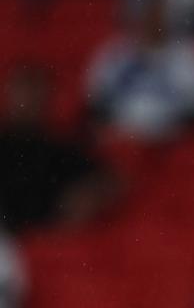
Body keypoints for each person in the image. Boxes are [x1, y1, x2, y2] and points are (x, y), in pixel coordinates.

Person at [0, 63, 116, 233]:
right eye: (23, 92)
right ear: (8, 93)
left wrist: (93, 191)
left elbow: (109, 181)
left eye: (36, 93)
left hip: (47, 241)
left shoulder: (61, 146)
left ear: (49, 97)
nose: (29, 100)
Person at [86, 0, 194, 142]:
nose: (154, 18)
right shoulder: (116, 52)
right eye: (148, 12)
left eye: (160, 12)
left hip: (171, 144)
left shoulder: (190, 56)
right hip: (120, 140)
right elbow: (95, 103)